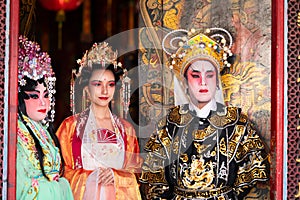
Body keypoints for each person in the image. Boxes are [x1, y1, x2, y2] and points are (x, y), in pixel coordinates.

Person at [139, 28, 270, 199]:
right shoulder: (169, 126)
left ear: (217, 80)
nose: (203, 82)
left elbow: (252, 174)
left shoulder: (237, 125)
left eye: (209, 75)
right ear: (185, 81)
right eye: (195, 75)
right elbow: (155, 181)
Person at [56, 42, 142, 200]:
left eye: (110, 84)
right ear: (87, 89)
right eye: (97, 84)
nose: (104, 91)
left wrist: (116, 176)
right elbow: (60, 172)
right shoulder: (70, 126)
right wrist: (90, 177)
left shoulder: (126, 129)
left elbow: (135, 173)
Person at [17, 35, 74, 199]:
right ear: (20, 98)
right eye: (34, 96)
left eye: (46, 95)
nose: (43, 102)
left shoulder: (43, 131)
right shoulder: (16, 135)